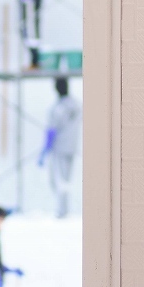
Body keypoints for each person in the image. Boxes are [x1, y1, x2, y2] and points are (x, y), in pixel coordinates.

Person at [39, 77, 82, 218]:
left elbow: (52, 131)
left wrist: (45, 150)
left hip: (59, 148)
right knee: (67, 179)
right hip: (72, 147)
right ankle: (65, 209)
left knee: (59, 180)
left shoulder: (57, 108)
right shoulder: (77, 105)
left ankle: (63, 211)